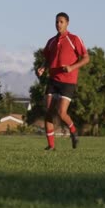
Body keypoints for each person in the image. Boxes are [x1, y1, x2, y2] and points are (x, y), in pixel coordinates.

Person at [37, 12, 89, 151]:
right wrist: (43, 67)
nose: (58, 24)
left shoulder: (74, 39)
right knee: (48, 112)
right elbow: (47, 59)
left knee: (61, 112)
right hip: (53, 80)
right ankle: (51, 146)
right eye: (56, 22)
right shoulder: (51, 41)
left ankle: (73, 131)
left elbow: (86, 58)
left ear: (67, 23)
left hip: (68, 82)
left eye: (61, 22)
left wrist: (72, 67)